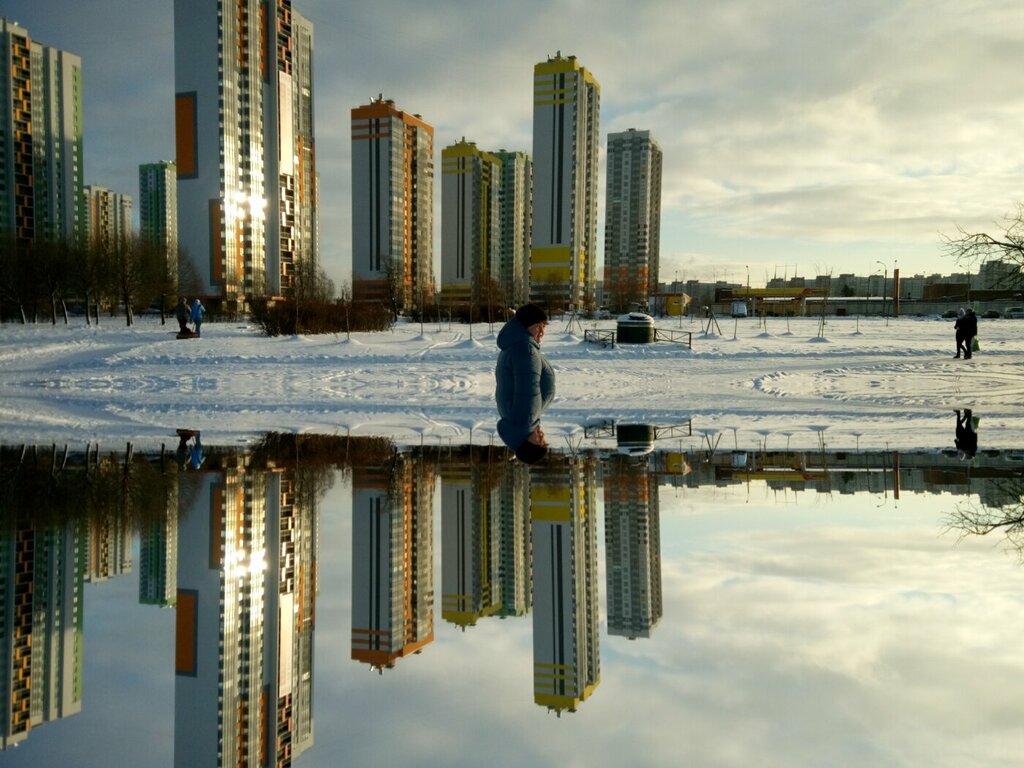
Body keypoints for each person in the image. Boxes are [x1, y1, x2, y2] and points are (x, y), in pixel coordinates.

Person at [495, 303, 555, 464]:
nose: (542, 332)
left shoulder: (520, 346)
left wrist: (531, 418)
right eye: (538, 326)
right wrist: (531, 417)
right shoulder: (525, 350)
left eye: (543, 326)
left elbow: (527, 390)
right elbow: (528, 389)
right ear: (525, 327)